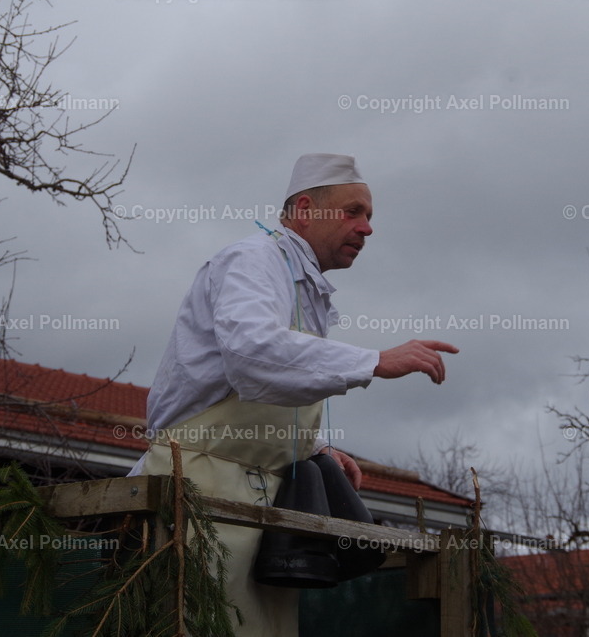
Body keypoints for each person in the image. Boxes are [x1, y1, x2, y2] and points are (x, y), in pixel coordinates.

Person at [129, 153, 458, 637]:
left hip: (266, 506)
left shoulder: (306, 285)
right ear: (305, 209)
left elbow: (270, 380)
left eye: (369, 217)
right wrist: (374, 361)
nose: (367, 228)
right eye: (353, 212)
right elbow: (252, 355)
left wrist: (314, 448)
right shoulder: (252, 259)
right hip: (198, 494)